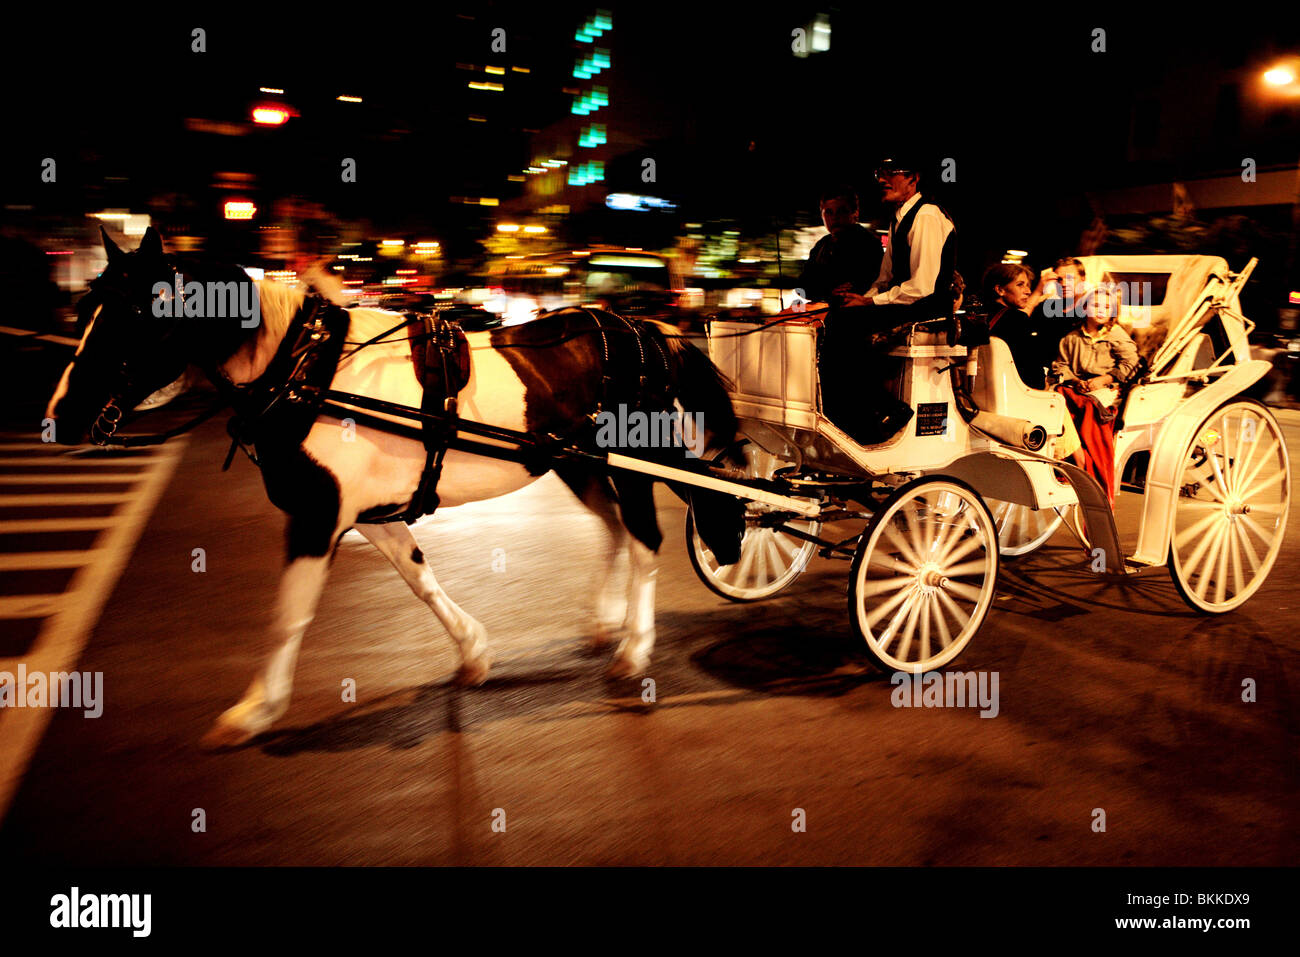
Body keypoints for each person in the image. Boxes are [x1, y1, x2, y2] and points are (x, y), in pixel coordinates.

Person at [821, 157, 956, 444]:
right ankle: (851, 410)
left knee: (842, 325)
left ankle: (884, 410)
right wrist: (859, 299)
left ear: (913, 178)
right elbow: (885, 279)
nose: (882, 179)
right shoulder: (898, 219)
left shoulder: (927, 215)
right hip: (905, 304)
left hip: (926, 308)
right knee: (838, 317)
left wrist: (868, 305)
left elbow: (922, 285)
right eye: (879, 173)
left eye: (890, 173)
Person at [1049, 284, 1138, 502]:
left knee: (1091, 409)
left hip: (1105, 388)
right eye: (1095, 304)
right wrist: (1076, 380)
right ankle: (1068, 457)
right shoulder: (1072, 337)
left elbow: (1132, 363)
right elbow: (1060, 365)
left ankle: (1092, 466)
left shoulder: (1117, 335)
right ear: (1085, 307)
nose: (1100, 309)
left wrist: (1105, 379)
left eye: (1106, 306)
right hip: (1077, 386)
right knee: (1055, 400)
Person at [798, 186, 883, 306]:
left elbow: (860, 285)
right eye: (828, 212)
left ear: (855, 213)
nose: (834, 217)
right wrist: (829, 290)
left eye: (841, 211)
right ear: (822, 216)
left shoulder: (868, 245)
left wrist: (822, 287)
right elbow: (802, 287)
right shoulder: (821, 246)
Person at [981, 263, 1049, 390]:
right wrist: (1043, 385)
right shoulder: (1017, 319)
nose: (1028, 291)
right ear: (1000, 290)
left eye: (1028, 285)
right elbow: (1031, 370)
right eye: (1020, 285)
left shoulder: (978, 316)